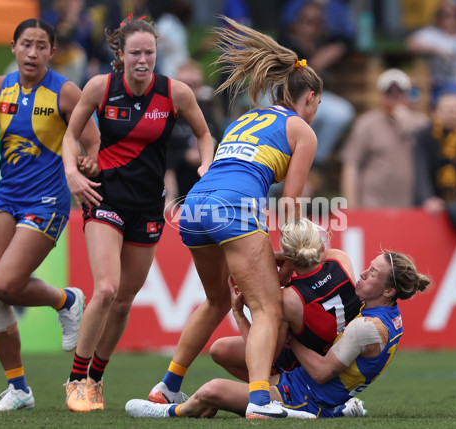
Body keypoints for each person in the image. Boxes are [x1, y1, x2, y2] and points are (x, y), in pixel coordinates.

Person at [146, 16, 323, 419]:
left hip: (194, 205)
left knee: (215, 300)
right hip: (235, 208)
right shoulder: (301, 130)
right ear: (309, 97)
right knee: (267, 309)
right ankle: (260, 400)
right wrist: (291, 255)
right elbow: (292, 205)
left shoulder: (245, 118)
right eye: (316, 105)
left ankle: (168, 386)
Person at [60, 15, 214, 412]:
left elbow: (204, 133)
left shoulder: (175, 93)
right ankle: (76, 380)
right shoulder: (100, 87)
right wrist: (73, 174)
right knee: (107, 289)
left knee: (125, 300)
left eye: (149, 52)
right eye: (135, 53)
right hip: (104, 197)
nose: (143, 60)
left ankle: (95, 378)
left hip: (147, 205)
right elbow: (70, 135)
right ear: (121, 55)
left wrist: (205, 166)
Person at [0, 18, 99, 411]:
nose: (33, 53)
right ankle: (19, 389)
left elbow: (93, 139)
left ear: (52, 53)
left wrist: (89, 163)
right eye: (27, 45)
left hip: (47, 200)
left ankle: (65, 301)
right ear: (13, 48)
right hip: (7, 196)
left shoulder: (64, 91)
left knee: (5, 285)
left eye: (42, 46)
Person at [125, 249, 431, 419]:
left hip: (305, 398)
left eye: (373, 273)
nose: (363, 273)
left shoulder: (367, 328)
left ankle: (168, 411)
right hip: (303, 381)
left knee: (211, 391)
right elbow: (325, 252)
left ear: (389, 290)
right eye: (369, 267)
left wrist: (293, 340)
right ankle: (339, 407)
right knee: (220, 350)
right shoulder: (389, 314)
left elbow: (323, 372)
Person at [209, 217, 362, 381]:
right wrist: (287, 261)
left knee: (218, 350)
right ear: (320, 245)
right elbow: (317, 267)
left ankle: (278, 389)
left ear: (288, 255)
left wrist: (238, 313)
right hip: (346, 353)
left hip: (307, 361)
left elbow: (266, 356)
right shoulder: (340, 258)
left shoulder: (289, 299)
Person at [277, 1, 355, 194]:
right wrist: (315, 63)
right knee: (299, 119)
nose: (308, 26)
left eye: (314, 22)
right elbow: (292, 76)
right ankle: (282, 168)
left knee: (342, 113)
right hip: (280, 94)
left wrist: (338, 47)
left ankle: (315, 161)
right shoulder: (285, 42)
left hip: (311, 95)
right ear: (296, 23)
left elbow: (349, 38)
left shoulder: (322, 43)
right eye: (305, 21)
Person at [339, 68, 429, 208]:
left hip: (412, 207)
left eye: (399, 92)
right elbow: (351, 164)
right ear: (381, 96)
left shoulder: (422, 123)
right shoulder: (366, 123)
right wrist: (351, 205)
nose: (394, 97)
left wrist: (410, 126)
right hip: (373, 206)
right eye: (389, 92)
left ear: (406, 95)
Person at [165, 59, 221, 206]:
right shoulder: (165, 115)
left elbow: (219, 145)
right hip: (173, 191)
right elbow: (163, 155)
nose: (189, 90)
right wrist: (184, 155)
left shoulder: (208, 114)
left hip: (204, 190)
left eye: (194, 85)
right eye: (185, 84)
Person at [413, 92, 456, 215]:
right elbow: (421, 169)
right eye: (448, 110)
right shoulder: (425, 135)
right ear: (436, 112)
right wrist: (427, 198)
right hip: (428, 201)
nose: (453, 114)